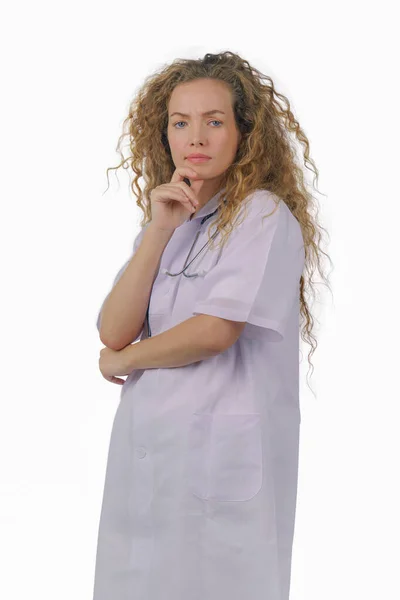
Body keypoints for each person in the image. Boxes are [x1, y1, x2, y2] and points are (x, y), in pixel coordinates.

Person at [93, 51, 331, 600]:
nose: (194, 136)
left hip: (219, 471)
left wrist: (126, 361)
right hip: (150, 458)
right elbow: (113, 327)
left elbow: (214, 330)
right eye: (180, 122)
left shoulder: (262, 215)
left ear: (245, 134)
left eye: (214, 121)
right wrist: (158, 230)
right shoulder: (173, 220)